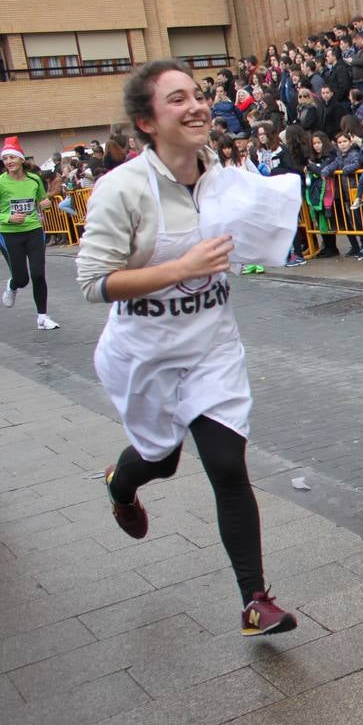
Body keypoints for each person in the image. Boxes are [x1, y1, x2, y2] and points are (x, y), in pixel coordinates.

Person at [75, 59, 297, 636]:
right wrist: (180, 267)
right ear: (147, 122)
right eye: (177, 99)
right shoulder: (120, 189)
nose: (196, 106)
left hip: (211, 350)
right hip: (143, 355)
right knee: (161, 460)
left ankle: (255, 601)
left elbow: (254, 248)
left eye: (197, 95)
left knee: (228, 464)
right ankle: (119, 485)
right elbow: (94, 282)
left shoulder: (224, 177)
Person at [0, 137, 58, 330]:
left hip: (34, 230)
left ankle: (42, 317)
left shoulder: (34, 179)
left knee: (38, 274)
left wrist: (46, 205)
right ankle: (12, 285)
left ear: (21, 159)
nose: (9, 161)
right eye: (5, 158)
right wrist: (7, 218)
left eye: (12, 157)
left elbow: (43, 202)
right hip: (9, 234)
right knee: (22, 279)